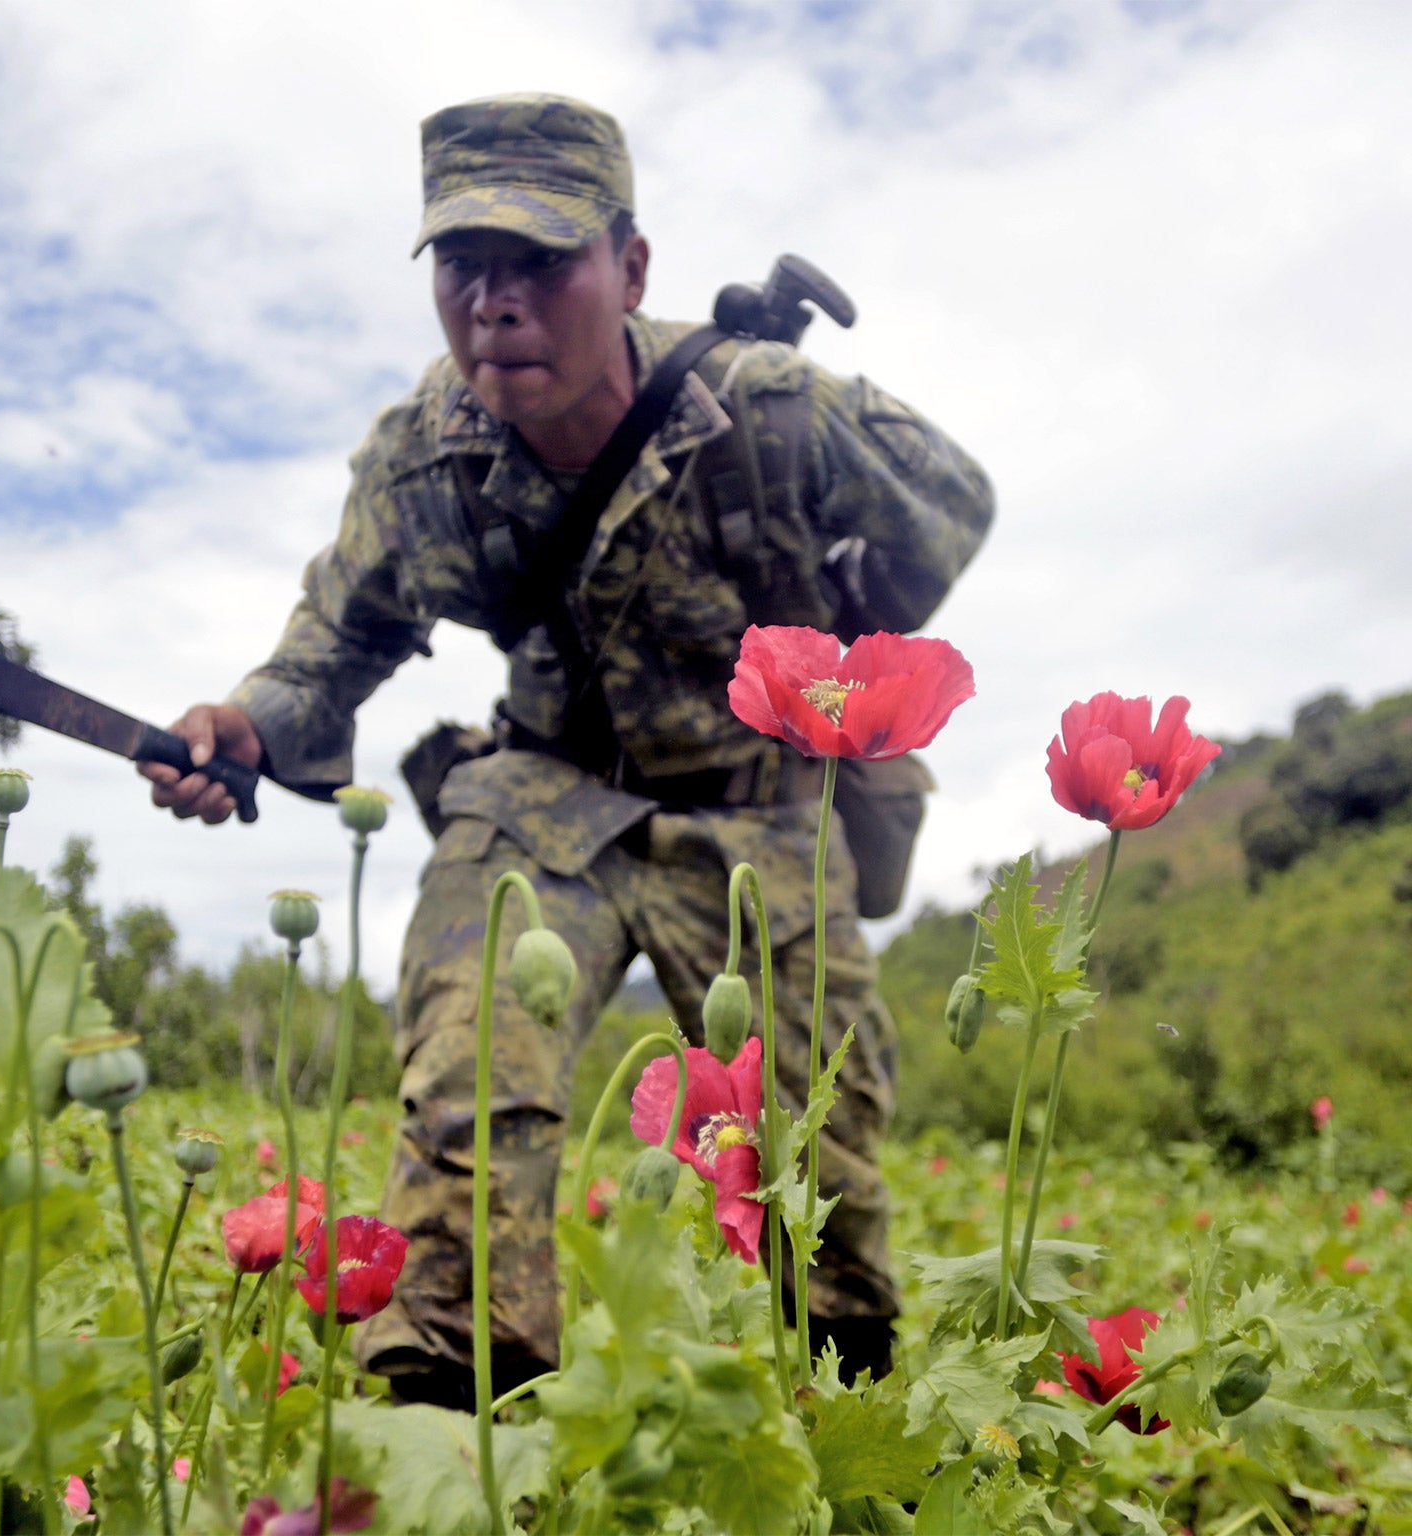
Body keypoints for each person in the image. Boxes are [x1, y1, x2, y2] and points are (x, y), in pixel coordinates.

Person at [142, 94, 993, 1402]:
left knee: (822, 1137)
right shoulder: (427, 457)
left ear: (630, 268)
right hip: (546, 791)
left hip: (760, 798)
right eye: (462, 265)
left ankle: (847, 1403)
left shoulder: (768, 411)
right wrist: (248, 724)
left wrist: (835, 631)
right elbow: (340, 635)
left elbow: (949, 513)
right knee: (472, 1068)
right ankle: (446, 1391)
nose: (496, 302)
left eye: (542, 261)